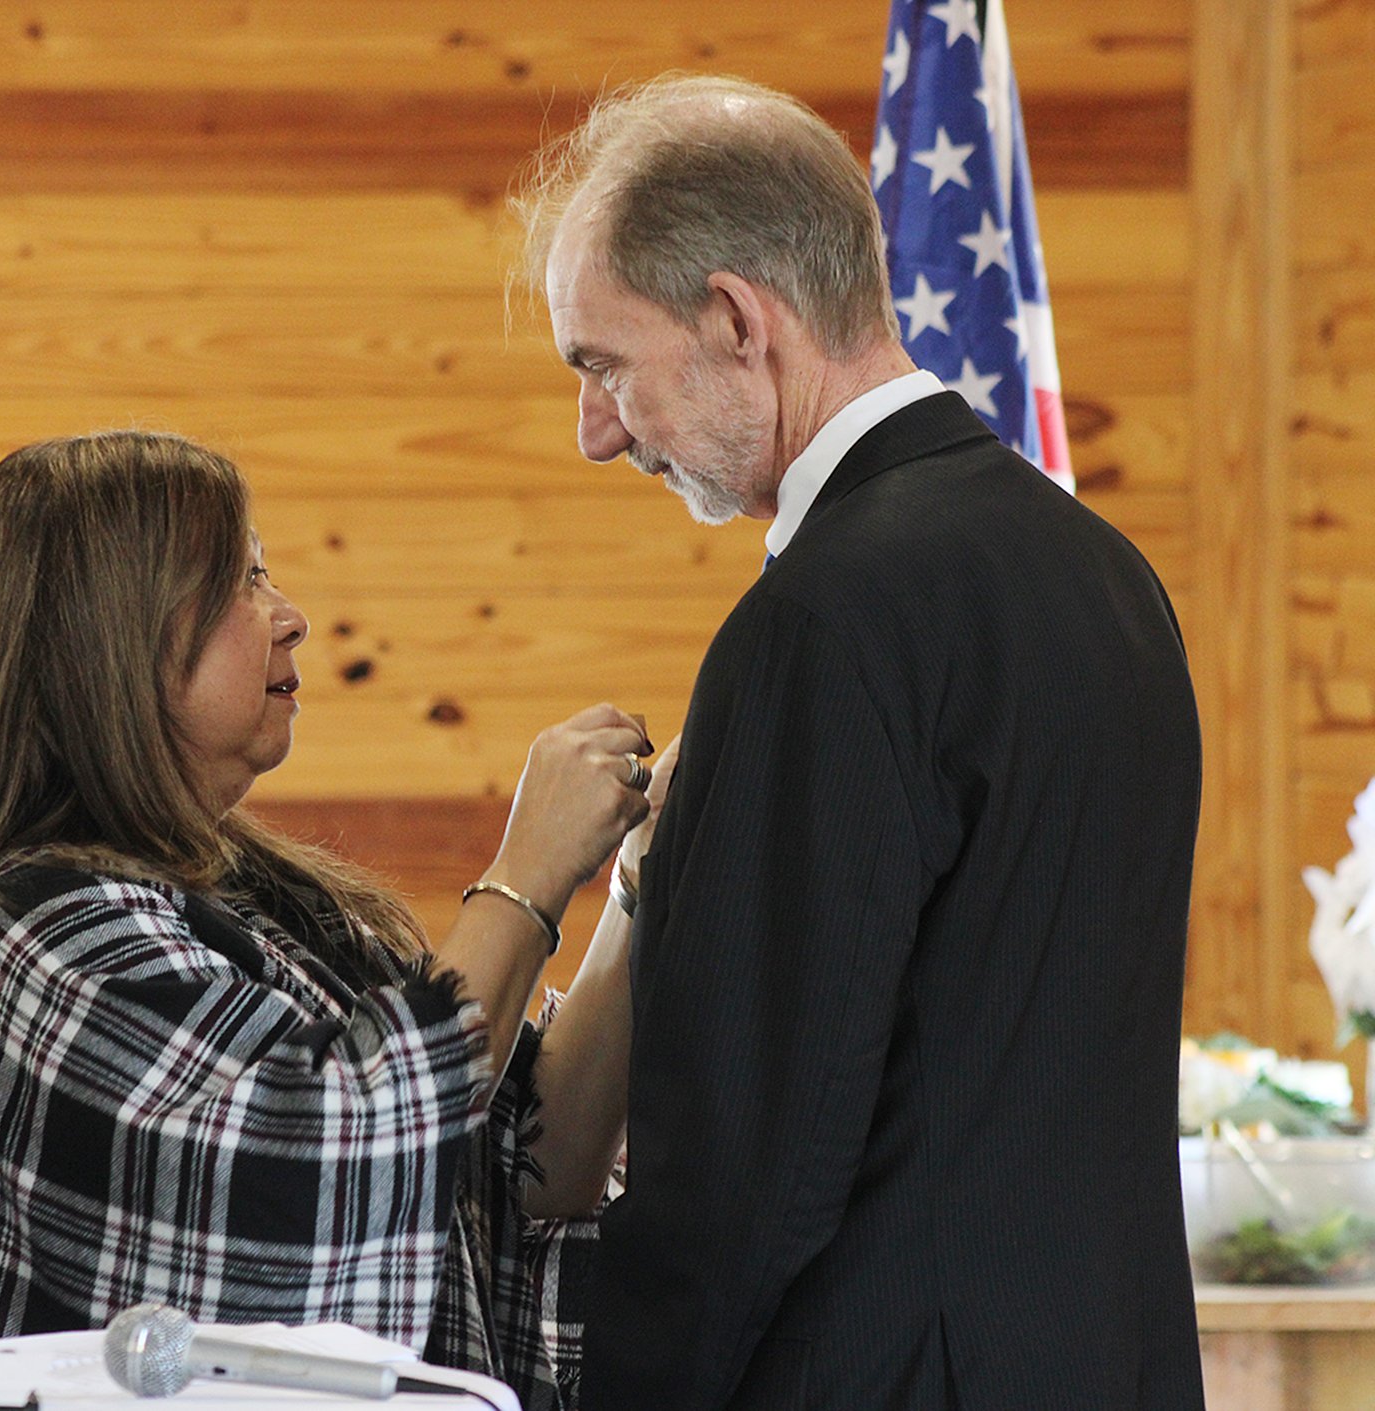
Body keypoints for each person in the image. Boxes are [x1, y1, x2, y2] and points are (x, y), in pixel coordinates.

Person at [513, 75, 1205, 1409]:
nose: (596, 433)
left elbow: (742, 1158)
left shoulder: (819, 623)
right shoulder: (1107, 572)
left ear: (734, 321)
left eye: (601, 365)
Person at [0, 430, 669, 1408]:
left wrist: (635, 879)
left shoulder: (261, 903)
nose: (291, 618)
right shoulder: (28, 931)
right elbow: (335, 1157)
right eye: (240, 579)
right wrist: (525, 871)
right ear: (112, 638)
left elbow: (524, 1163)